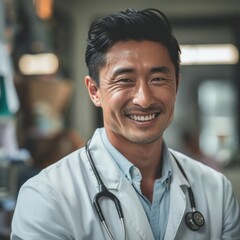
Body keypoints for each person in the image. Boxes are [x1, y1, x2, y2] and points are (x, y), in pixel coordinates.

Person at [11, 8, 240, 240]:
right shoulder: (46, 196)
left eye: (158, 79)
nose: (144, 99)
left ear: (176, 85)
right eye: (125, 80)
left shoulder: (217, 191)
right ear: (94, 91)